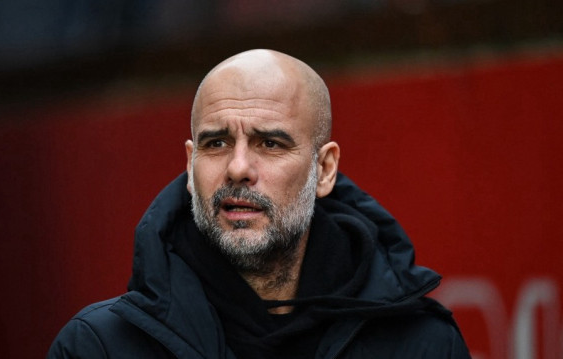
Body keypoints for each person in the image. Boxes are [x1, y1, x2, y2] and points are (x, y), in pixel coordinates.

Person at [47, 49, 470, 358]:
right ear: (190, 165)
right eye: (217, 143)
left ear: (323, 170)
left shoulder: (420, 344)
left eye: (270, 143)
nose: (238, 167)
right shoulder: (99, 347)